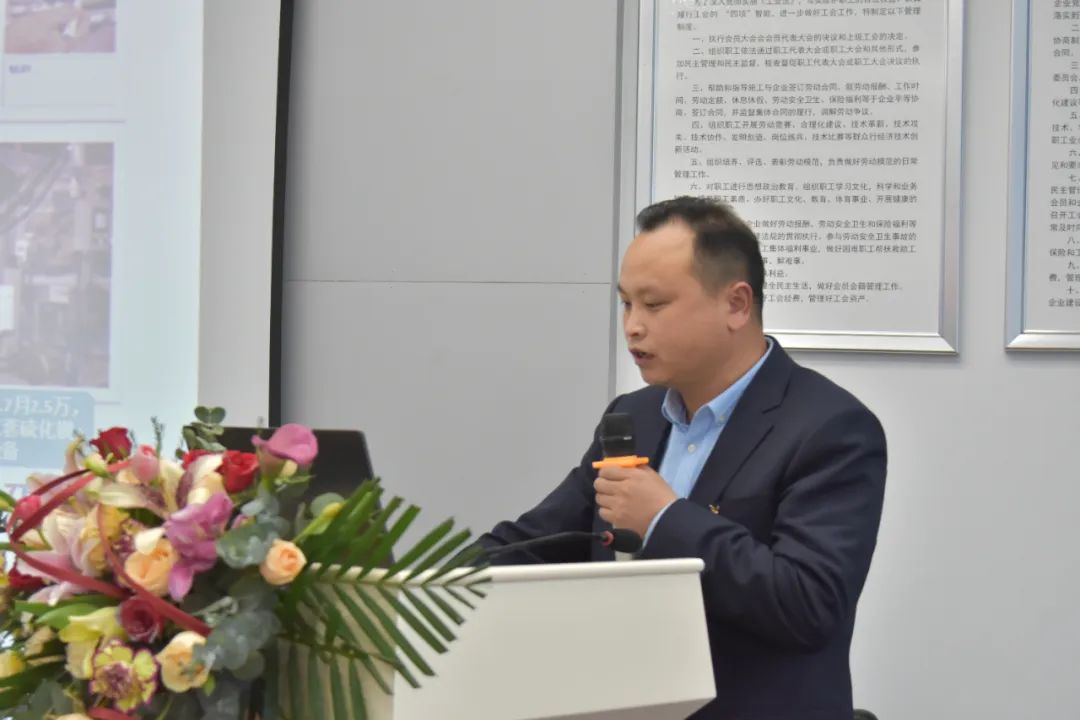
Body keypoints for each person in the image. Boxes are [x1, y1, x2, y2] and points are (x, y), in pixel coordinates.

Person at [478, 196, 887, 720]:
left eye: (654, 305)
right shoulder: (633, 416)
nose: (632, 326)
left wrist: (665, 519)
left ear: (736, 305)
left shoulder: (830, 428)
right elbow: (535, 543)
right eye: (626, 304)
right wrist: (411, 585)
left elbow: (808, 604)